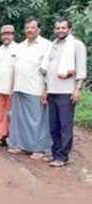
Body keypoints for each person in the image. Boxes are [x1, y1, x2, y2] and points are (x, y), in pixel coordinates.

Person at [40, 17, 87, 167]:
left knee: (65, 126)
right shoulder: (52, 46)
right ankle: (55, 153)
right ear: (55, 30)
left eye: (63, 28)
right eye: (58, 28)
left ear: (70, 29)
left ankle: (62, 157)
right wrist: (46, 90)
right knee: (53, 126)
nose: (60, 30)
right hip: (52, 91)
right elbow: (48, 70)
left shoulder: (76, 45)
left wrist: (78, 89)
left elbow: (81, 69)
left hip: (67, 92)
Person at [8, 17, 52, 160]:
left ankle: (39, 148)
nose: (29, 30)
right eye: (27, 28)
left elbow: (49, 70)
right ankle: (22, 145)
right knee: (20, 119)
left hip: (36, 89)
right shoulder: (21, 45)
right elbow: (15, 68)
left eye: (32, 27)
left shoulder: (46, 45)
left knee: (37, 121)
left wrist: (46, 90)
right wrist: (11, 88)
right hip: (19, 87)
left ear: (38, 29)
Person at [0, 25, 18, 147]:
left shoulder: (19, 49)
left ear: (13, 35)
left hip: (12, 88)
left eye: (9, 34)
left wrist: (15, 87)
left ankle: (11, 137)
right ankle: (0, 136)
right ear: (1, 36)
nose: (6, 36)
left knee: (11, 113)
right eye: (4, 34)